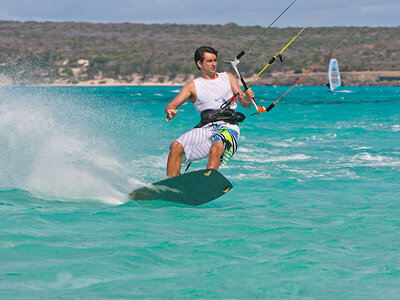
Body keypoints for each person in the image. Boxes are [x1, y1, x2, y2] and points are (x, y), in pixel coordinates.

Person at [165, 46, 255, 178]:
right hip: (205, 128)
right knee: (176, 146)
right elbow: (172, 105)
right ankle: (170, 184)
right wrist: (171, 110)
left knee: (217, 146)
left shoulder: (228, 77)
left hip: (228, 126)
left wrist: (247, 98)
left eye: (215, 60)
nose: (214, 64)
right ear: (199, 63)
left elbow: (244, 104)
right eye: (209, 61)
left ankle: (208, 180)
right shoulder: (192, 86)